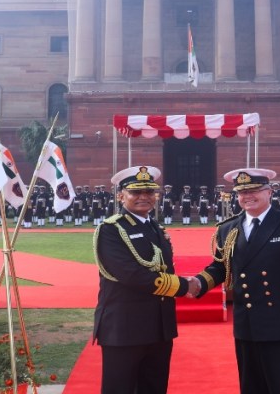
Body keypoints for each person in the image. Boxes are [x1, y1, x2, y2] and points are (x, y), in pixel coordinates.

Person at [192, 167, 280, 394]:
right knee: (253, 385)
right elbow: (221, 267)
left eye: (254, 190)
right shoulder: (228, 229)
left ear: (269, 191)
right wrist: (196, 284)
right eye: (242, 192)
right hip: (247, 323)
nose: (247, 196)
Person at [93, 165, 198, 394]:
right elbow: (132, 274)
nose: (143, 197)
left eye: (149, 192)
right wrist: (184, 286)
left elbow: (163, 268)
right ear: (121, 195)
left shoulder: (156, 228)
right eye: (135, 192)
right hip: (125, 328)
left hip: (158, 327)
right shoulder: (111, 230)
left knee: (154, 387)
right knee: (119, 389)